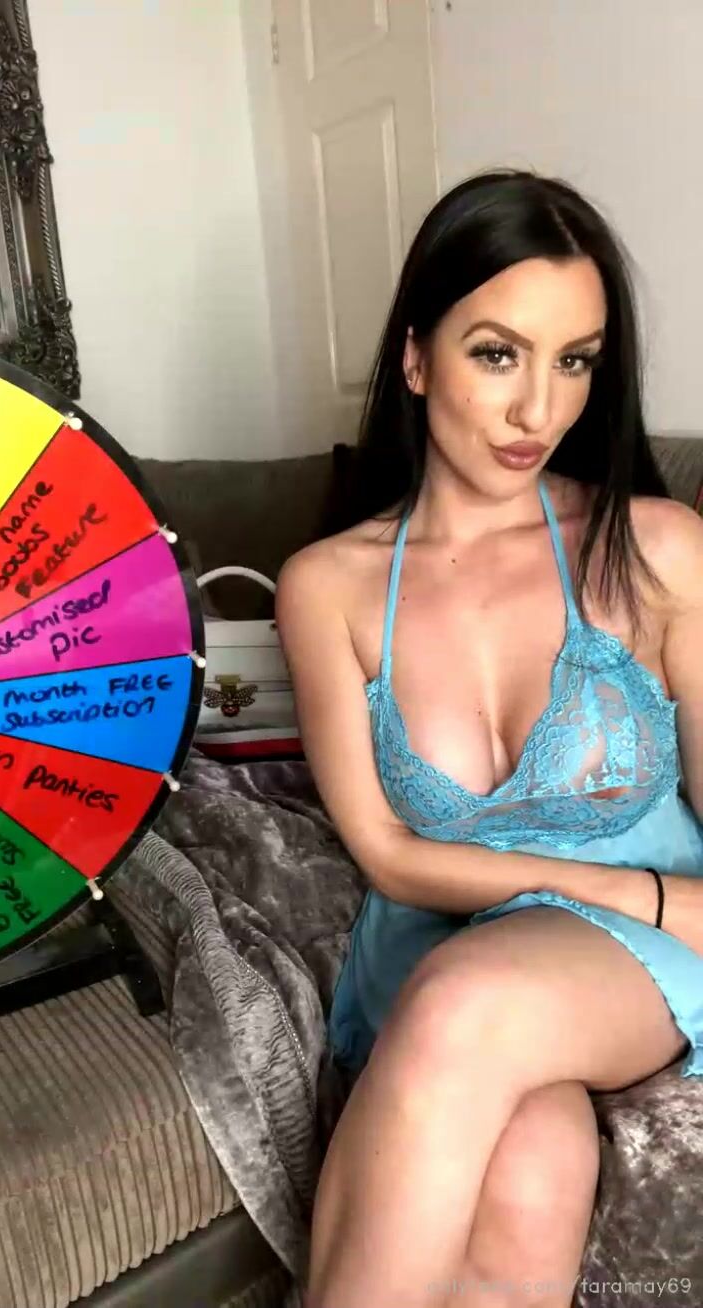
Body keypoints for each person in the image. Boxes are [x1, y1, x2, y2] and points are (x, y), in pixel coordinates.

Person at [275, 169, 703, 1308]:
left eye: (576, 361)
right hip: (447, 941)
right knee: (532, 1163)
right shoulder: (326, 586)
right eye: (498, 354)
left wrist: (659, 906)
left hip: (637, 951)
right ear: (416, 358)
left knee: (466, 1006)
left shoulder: (656, 549)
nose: (538, 412)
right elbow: (388, 855)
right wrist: (634, 893)